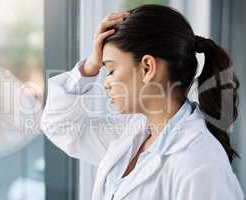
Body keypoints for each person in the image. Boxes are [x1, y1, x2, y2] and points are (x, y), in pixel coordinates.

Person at [41, 4, 244, 200]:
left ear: (147, 67)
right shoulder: (133, 132)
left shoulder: (200, 163)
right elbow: (60, 126)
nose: (106, 83)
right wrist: (90, 66)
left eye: (111, 70)